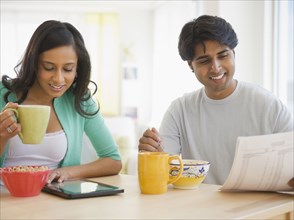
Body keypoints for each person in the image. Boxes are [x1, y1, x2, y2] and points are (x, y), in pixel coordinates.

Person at [138, 15, 293, 185]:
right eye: (204, 60)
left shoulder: (269, 106)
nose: (216, 67)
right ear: (191, 65)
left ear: (233, 53)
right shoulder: (179, 111)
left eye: (223, 55)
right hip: (200, 209)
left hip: (259, 208)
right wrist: (153, 153)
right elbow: (166, 173)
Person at [0, 20, 122, 183]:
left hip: (55, 200)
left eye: (68, 69)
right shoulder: (3, 95)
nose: (58, 79)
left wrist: (69, 172)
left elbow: (113, 161)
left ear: (78, 68)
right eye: (49, 67)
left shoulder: (78, 99)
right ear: (34, 64)